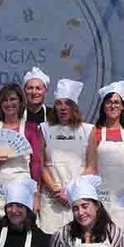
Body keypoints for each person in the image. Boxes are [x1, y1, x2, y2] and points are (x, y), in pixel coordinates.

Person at [0, 83, 42, 229]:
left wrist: (36, 195)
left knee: (21, 229)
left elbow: (36, 164)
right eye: (4, 100)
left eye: (13, 99)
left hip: (22, 185)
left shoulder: (31, 129)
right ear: (0, 104)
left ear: (20, 102)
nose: (9, 104)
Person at [39, 79, 93, 233]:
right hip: (51, 199)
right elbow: (41, 164)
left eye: (67, 103)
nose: (63, 108)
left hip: (77, 199)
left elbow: (91, 166)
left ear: (74, 107)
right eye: (59, 103)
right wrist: (56, 191)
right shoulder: (44, 129)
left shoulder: (88, 130)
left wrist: (71, 192)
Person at [84, 81, 124, 235]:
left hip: (123, 198)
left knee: (121, 237)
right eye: (109, 102)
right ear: (103, 107)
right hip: (101, 195)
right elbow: (90, 164)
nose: (113, 106)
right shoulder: (95, 132)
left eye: (116, 102)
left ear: (123, 107)